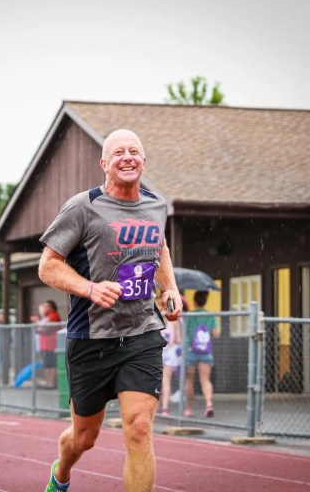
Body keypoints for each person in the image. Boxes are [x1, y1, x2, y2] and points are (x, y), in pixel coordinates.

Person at [38, 129, 182, 492]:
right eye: (118, 152)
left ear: (144, 162)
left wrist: (170, 289)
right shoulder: (82, 206)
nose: (128, 157)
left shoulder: (156, 206)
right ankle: (62, 471)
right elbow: (48, 265)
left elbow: (159, 247)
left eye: (134, 151)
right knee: (83, 438)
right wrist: (90, 288)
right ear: (104, 164)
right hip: (91, 338)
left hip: (141, 333)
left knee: (139, 428)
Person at [183, 290, 220, 418]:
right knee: (205, 380)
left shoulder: (189, 315)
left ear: (194, 301)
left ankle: (188, 409)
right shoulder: (210, 315)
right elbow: (216, 333)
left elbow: (184, 332)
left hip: (191, 351)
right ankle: (209, 404)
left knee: (189, 380)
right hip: (205, 350)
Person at [157, 295, 181, 417]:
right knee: (167, 381)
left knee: (157, 380)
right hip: (170, 352)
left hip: (159, 351)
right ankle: (165, 407)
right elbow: (178, 339)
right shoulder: (175, 321)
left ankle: (158, 405)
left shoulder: (159, 316)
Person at [30, 300, 62, 388]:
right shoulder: (46, 317)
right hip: (44, 345)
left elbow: (46, 329)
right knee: (46, 364)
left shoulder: (53, 316)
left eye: (45, 306)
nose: (43, 308)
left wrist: (37, 324)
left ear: (51, 308)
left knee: (51, 364)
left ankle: (51, 383)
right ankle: (47, 382)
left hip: (51, 345)